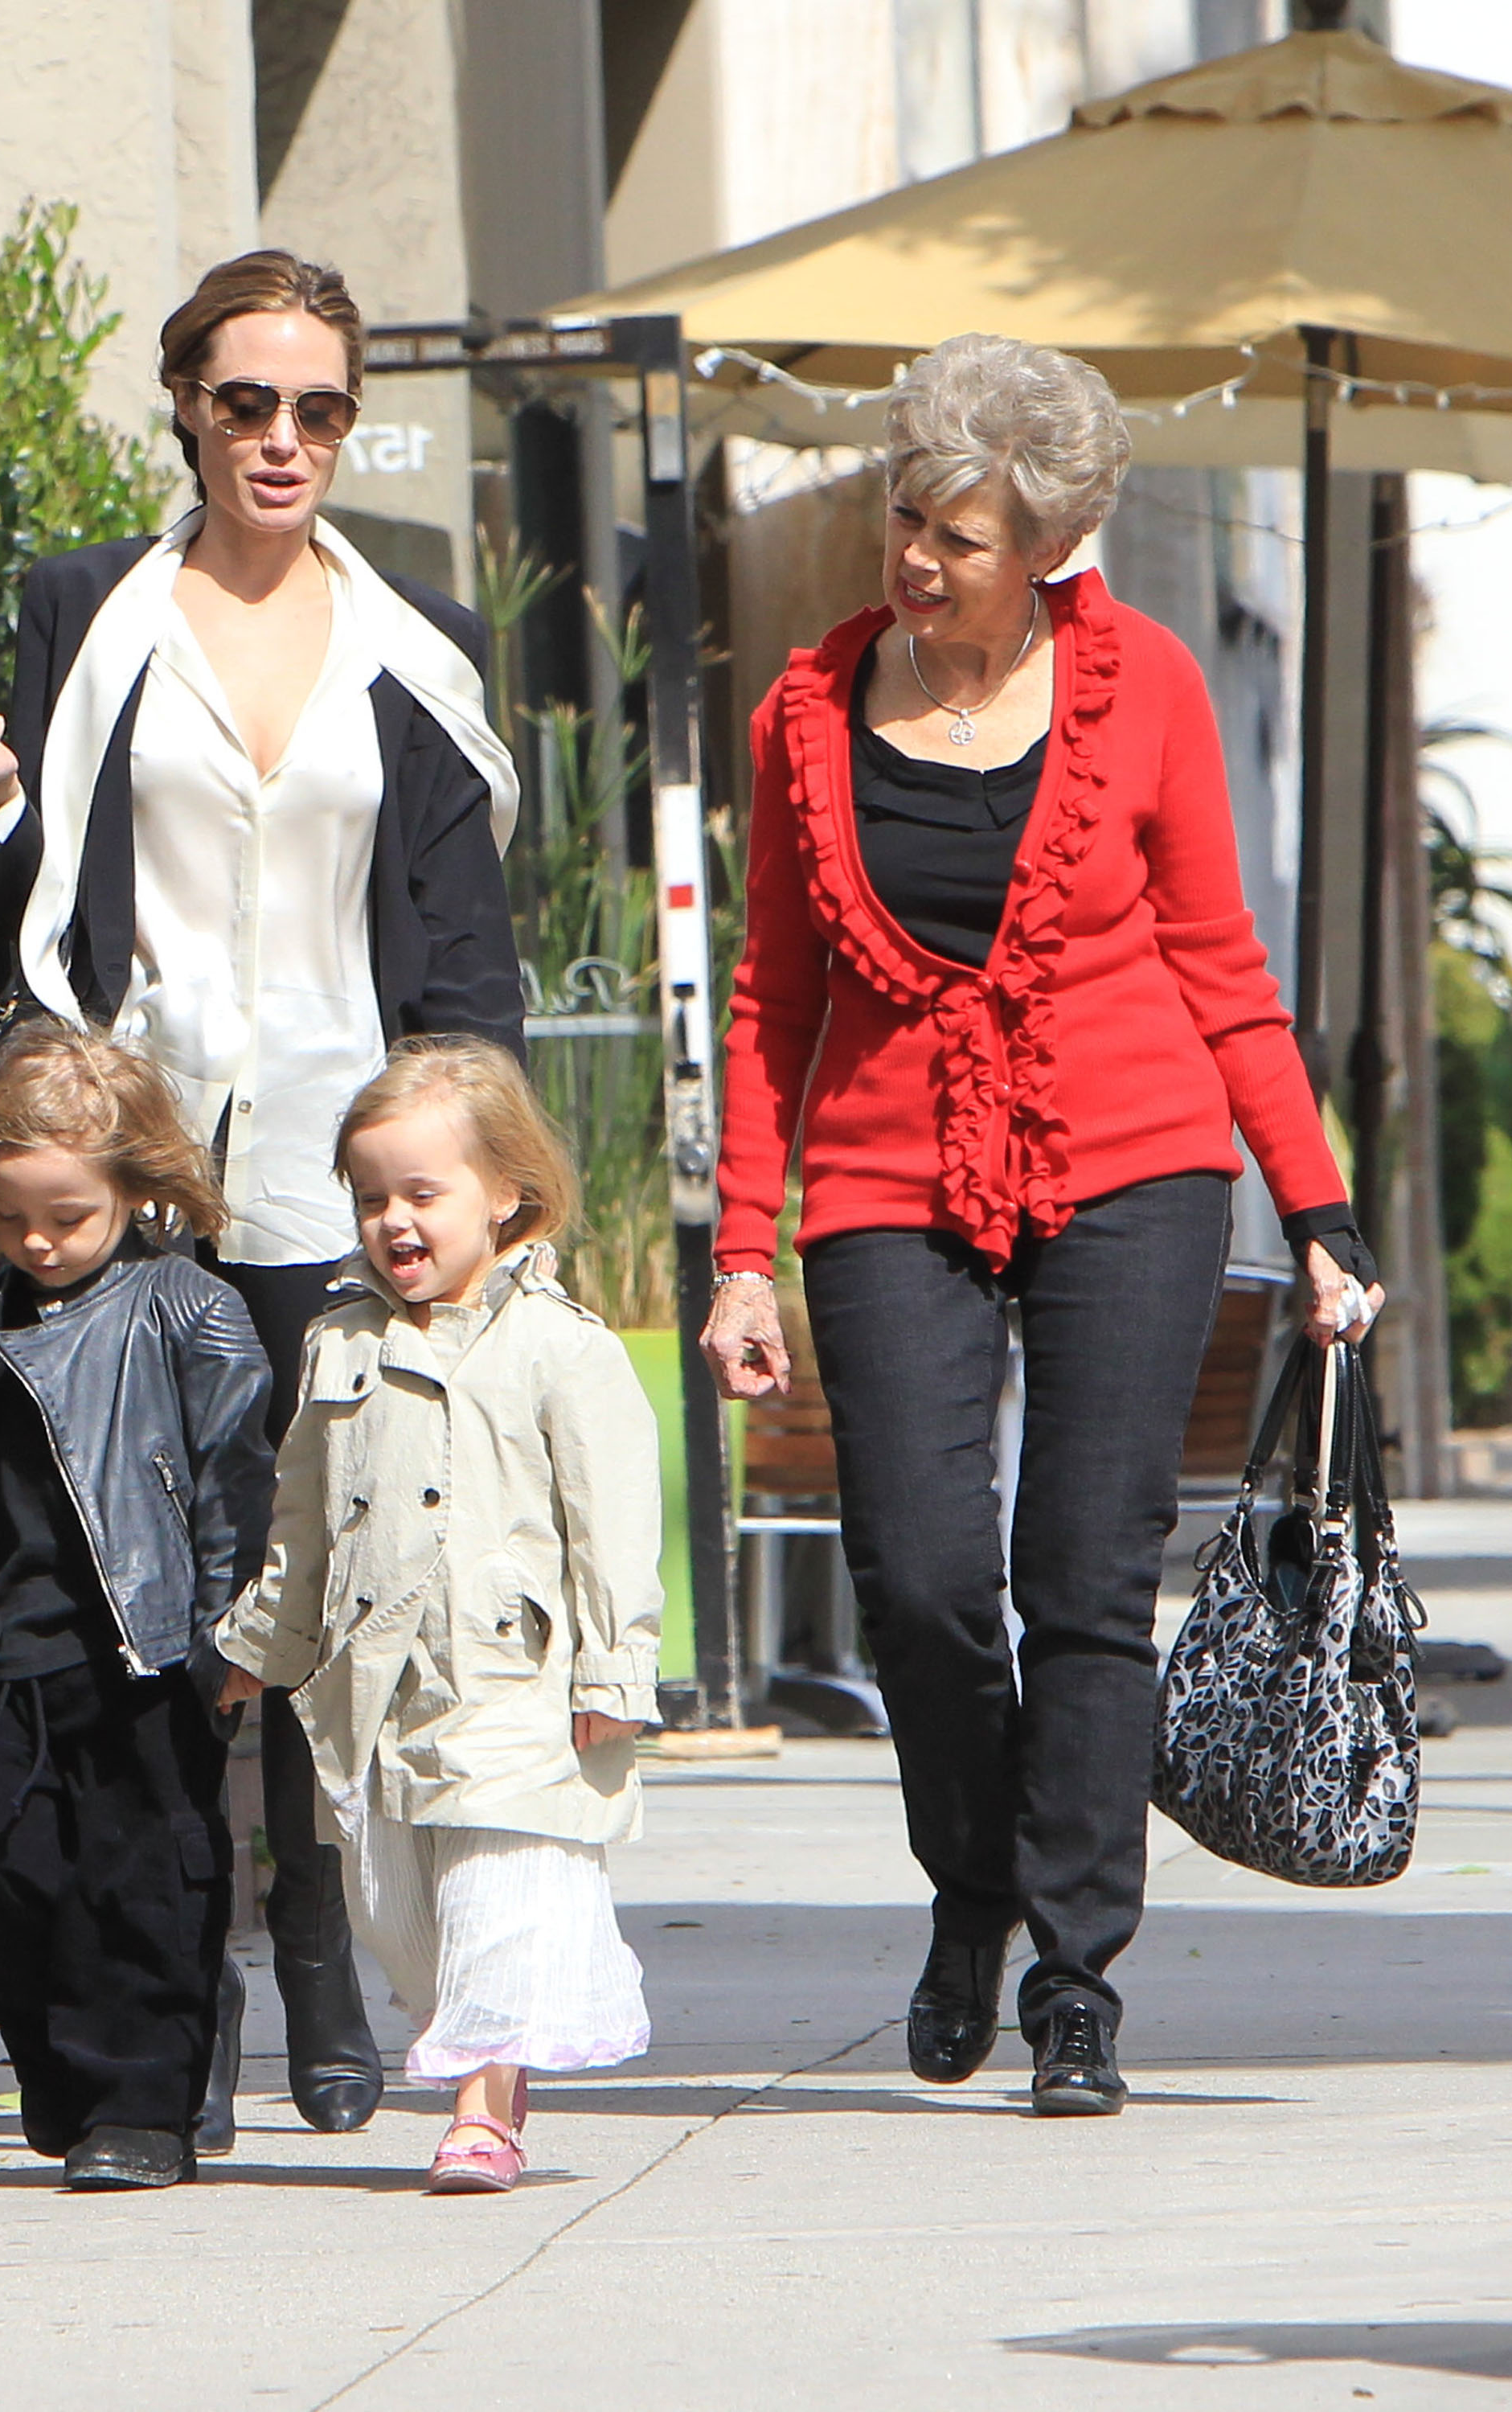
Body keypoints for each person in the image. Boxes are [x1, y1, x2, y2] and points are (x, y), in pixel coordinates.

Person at [700, 332, 1384, 2118]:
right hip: (885, 1177)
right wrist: (742, 1251)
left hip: (1134, 1161)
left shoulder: (1145, 685)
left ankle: (1076, 1975)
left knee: (1082, 1575)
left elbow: (1220, 966)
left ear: (1052, 548)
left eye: (960, 535)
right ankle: (971, 1885)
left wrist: (1314, 1206)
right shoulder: (807, 713)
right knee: (922, 1577)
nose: (916, 559)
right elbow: (773, 998)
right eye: (904, 516)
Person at [0, 250, 523, 2138]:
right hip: (140, 1168)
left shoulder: (414, 638)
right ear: (185, 403)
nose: (282, 440)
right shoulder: (87, 612)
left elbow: (464, 938)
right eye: (248, 401)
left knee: (314, 1574)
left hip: (341, 1173)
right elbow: (44, 908)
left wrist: (482, 1182)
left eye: (319, 409)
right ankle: (179, 1996)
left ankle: (321, 1952)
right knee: (144, 1591)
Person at [213, 1036, 660, 2193]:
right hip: (379, 1686)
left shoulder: (561, 1347)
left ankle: (480, 2114)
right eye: (371, 1198)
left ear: (506, 1190)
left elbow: (613, 1530)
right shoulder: (336, 1341)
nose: (393, 1221)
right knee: (405, 1917)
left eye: (422, 1193)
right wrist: (264, 1645)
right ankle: (482, 2063)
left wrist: (615, 1676)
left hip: (511, 1678)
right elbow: (303, 1515)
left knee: (499, 1898)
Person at [0, 1023, 273, 2189]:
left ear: (136, 1186)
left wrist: (227, 1637)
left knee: (139, 1882)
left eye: (68, 1215)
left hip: (141, 1652)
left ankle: (143, 2108)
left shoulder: (188, 1309)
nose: (38, 1241)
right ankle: (78, 2073)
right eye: (11, 1216)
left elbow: (233, 1485)